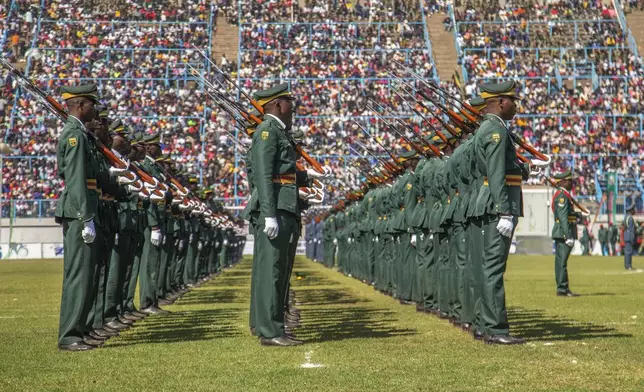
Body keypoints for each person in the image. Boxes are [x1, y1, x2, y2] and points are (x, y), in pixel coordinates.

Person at [245, 83, 316, 347]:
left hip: (286, 205)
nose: (293, 107)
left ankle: (274, 326)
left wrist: (309, 176)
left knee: (280, 270)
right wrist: (269, 214)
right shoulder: (266, 132)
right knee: (272, 270)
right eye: (289, 102)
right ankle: (269, 330)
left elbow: (286, 172)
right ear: (276, 105)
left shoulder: (277, 131)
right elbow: (264, 175)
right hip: (276, 207)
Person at [472, 80, 525, 345]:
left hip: (492, 205)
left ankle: (484, 325)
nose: (516, 106)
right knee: (494, 267)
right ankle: (495, 329)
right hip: (498, 207)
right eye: (513, 101)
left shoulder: (490, 128)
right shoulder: (495, 131)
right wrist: (504, 211)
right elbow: (495, 173)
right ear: (502, 102)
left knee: (489, 266)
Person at [54, 84, 101, 352]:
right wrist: (85, 217)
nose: (95, 109)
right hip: (77, 211)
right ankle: (69, 335)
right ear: (81, 105)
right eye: (92, 104)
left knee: (86, 274)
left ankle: (80, 330)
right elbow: (74, 178)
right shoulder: (73, 135)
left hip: (82, 209)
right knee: (77, 275)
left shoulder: (81, 134)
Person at [550, 170, 580, 297]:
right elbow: (562, 217)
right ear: (562, 182)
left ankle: (563, 288)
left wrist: (577, 214)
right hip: (563, 233)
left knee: (561, 261)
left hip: (563, 232)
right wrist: (568, 235)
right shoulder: (562, 196)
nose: (571, 183)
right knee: (561, 262)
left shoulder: (564, 195)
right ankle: (562, 288)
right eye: (569, 181)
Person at [623, 201, 637, 270]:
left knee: (627, 252)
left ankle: (627, 265)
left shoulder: (626, 216)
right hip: (629, 236)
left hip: (626, 235)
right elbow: (631, 229)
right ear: (631, 210)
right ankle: (628, 266)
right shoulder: (630, 218)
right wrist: (632, 239)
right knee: (629, 252)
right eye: (633, 209)